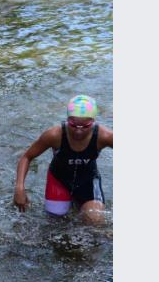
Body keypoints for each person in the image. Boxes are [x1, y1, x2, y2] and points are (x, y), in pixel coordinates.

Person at [13, 95, 113, 224]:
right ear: (67, 119)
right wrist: (19, 188)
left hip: (88, 182)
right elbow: (27, 157)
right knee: (56, 222)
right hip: (59, 180)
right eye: (73, 124)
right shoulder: (54, 135)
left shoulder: (105, 136)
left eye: (85, 126)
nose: (78, 131)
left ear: (93, 121)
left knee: (94, 221)